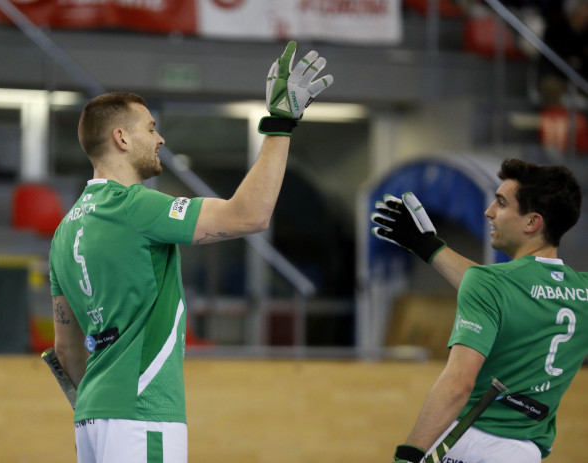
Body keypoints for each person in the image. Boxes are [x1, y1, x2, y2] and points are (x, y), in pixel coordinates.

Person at [48, 41, 332, 463]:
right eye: (151, 128)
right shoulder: (134, 206)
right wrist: (280, 124)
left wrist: (103, 413)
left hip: (93, 416)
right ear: (121, 137)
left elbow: (66, 351)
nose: (160, 139)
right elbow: (250, 215)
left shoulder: (63, 231)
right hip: (143, 415)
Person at [370, 158, 588, 462]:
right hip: (522, 453)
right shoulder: (582, 291)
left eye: (500, 203)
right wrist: (426, 246)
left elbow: (458, 383)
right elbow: (502, 289)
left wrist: (409, 454)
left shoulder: (490, 283)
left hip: (463, 441)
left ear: (531, 222)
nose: (488, 212)